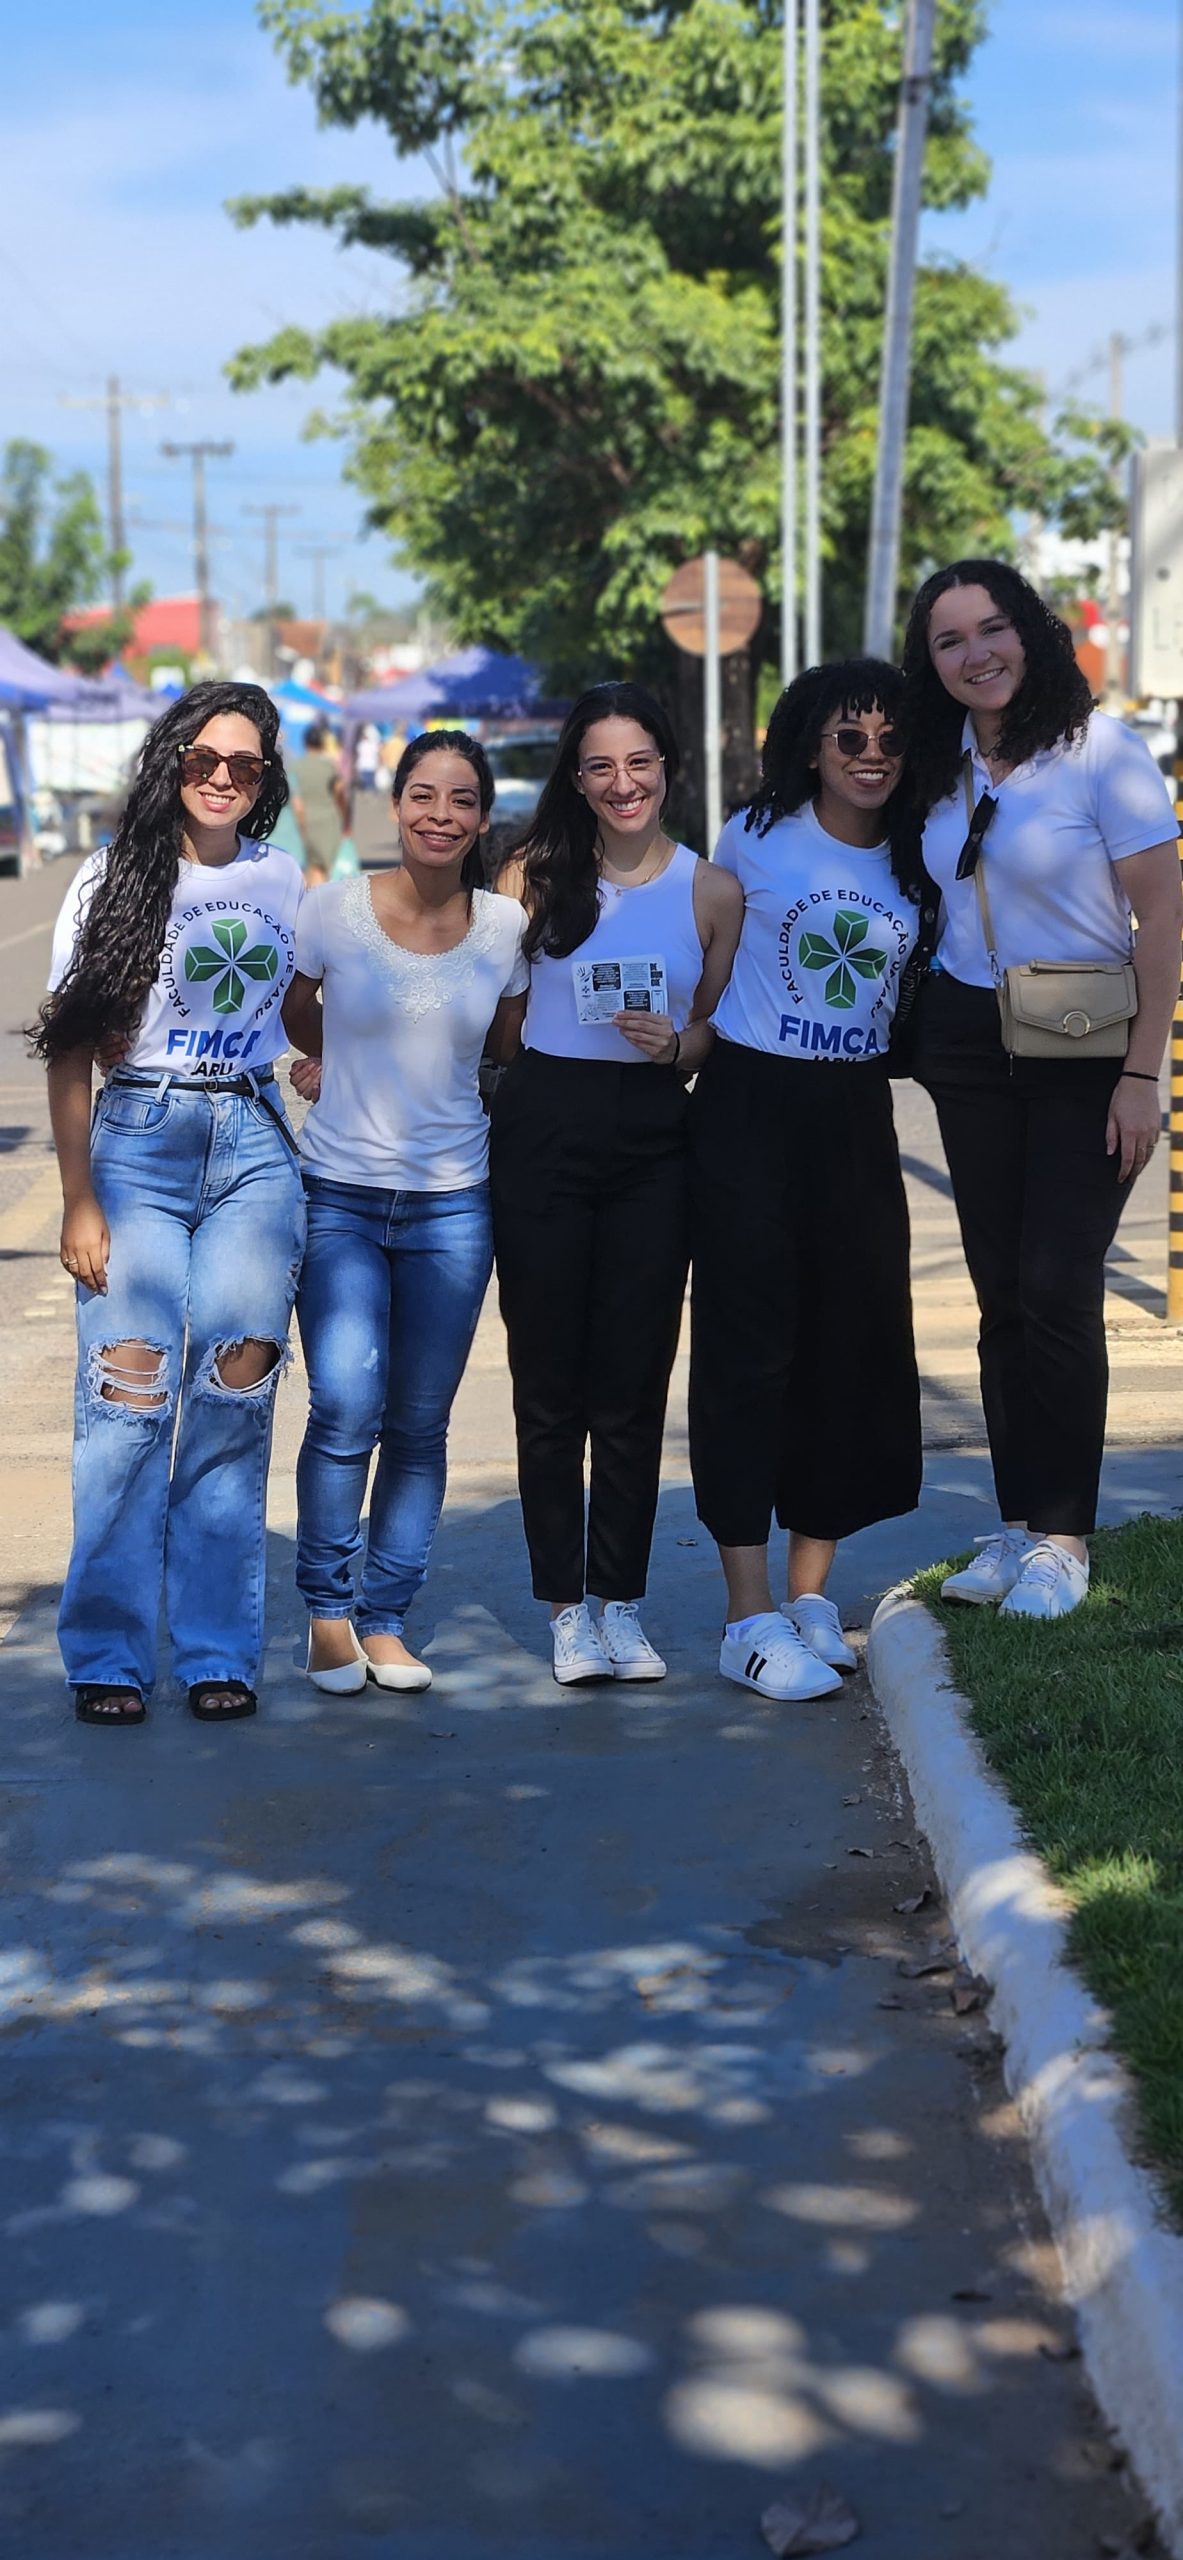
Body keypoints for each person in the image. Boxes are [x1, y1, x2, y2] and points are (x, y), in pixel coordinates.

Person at [902, 558, 1183, 1618]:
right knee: (1000, 1298)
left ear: (1028, 630)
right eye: (949, 641)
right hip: (969, 1044)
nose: (975, 654)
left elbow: (1162, 920)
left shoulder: (1101, 752)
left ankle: (1065, 1536)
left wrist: (1141, 1074)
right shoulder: (939, 765)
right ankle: (1018, 1522)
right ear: (929, 662)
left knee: (1057, 1288)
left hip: (1085, 1043)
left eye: (991, 628)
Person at [34, 683, 305, 1726]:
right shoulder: (112, 875)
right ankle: (108, 1648)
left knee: (236, 1390)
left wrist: (327, 1051)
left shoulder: (282, 876)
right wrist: (77, 1198)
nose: (222, 778)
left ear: (266, 778)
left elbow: (304, 1004)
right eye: (203, 760)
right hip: (137, 1145)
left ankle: (214, 1649)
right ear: (171, 764)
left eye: (245, 765)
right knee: (129, 1393)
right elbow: (69, 1048)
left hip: (252, 1142)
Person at [492, 681, 742, 1687]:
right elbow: (495, 1014)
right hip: (543, 1127)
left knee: (634, 1384)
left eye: (638, 762)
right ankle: (565, 1609)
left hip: (653, 1136)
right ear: (576, 776)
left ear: (667, 769)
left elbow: (719, 1026)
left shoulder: (710, 890)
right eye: (599, 765)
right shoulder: (531, 875)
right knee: (548, 1385)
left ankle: (621, 1604)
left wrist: (675, 1043)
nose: (621, 782)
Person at [688, 659, 925, 1700]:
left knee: (846, 1347)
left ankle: (808, 1593)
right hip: (749, 1105)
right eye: (848, 738)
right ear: (810, 746)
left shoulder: (918, 854)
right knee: (746, 1354)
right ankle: (744, 1615)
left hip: (855, 1115)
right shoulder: (754, 835)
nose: (871, 756)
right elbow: (703, 965)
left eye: (890, 739)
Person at [283, 730, 528, 1695]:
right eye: (423, 795)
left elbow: (508, 1041)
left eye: (461, 799)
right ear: (394, 806)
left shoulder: (503, 926)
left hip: (453, 1205)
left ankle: (385, 1617)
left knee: (420, 1423)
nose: (440, 814)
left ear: (481, 817)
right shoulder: (332, 909)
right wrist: (333, 1055)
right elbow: (297, 1008)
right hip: (338, 1195)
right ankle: (327, 1614)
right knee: (345, 1405)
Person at [291, 722, 346, 879]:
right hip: (328, 820)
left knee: (307, 867)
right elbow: (339, 792)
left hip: (301, 819)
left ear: (305, 743)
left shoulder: (295, 766)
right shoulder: (329, 766)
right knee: (324, 868)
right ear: (322, 744)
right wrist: (344, 818)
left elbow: (294, 798)